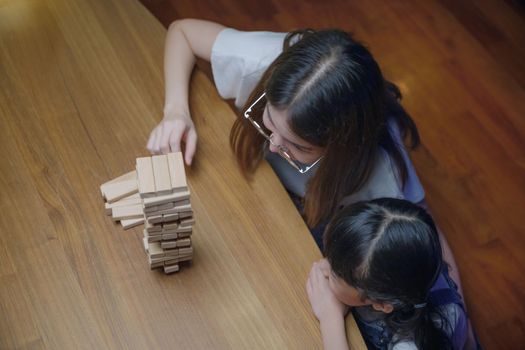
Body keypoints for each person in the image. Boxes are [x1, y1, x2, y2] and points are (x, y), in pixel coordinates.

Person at [147, 19, 460, 285]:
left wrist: (456, 314)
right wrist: (176, 111)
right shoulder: (262, 60)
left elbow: (424, 229)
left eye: (298, 146)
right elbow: (182, 32)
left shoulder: (382, 175)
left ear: (342, 150)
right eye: (268, 119)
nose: (273, 144)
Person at [306, 198, 468, 350]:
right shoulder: (391, 251)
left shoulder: (409, 345)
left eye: (335, 274)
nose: (324, 266)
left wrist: (331, 318)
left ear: (381, 304)